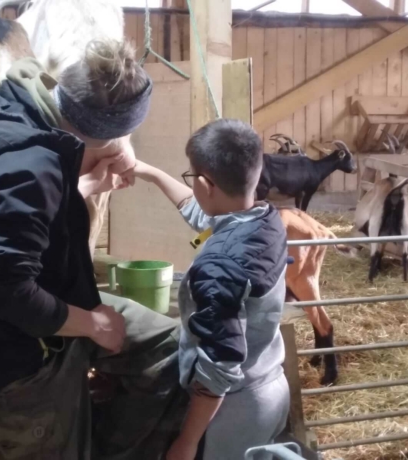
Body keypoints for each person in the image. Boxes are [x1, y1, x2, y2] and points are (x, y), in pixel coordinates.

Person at [0, 39, 186, 460]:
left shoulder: (21, 98)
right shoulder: (35, 169)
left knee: (170, 347)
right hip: (12, 347)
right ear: (106, 132)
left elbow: (19, 208)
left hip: (52, 304)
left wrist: (82, 188)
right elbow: (9, 291)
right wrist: (92, 325)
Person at [122, 119, 290, 460]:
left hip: (235, 410)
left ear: (204, 183)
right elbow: (205, 214)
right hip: (272, 387)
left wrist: (186, 442)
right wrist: (147, 171)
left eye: (191, 177)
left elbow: (220, 365)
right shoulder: (264, 219)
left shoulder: (217, 268)